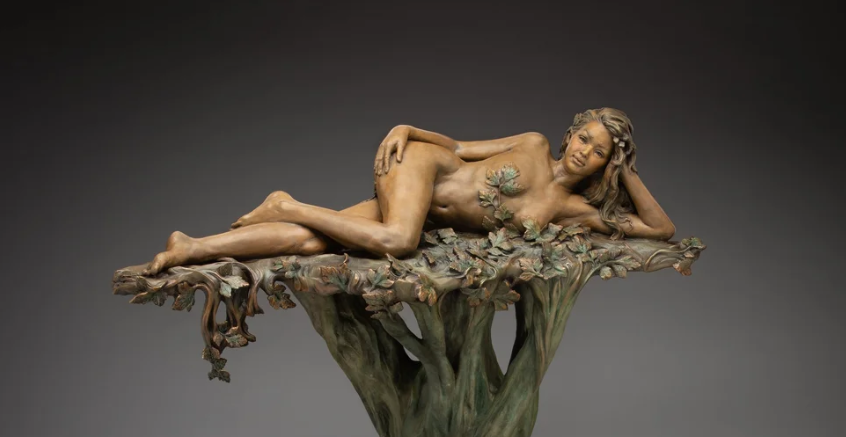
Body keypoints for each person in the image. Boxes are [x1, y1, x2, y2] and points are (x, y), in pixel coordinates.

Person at [142, 108, 675, 276]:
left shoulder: (572, 210)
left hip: (422, 213)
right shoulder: (533, 145)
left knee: (311, 243)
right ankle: (286, 203)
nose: (585, 151)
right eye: (584, 137)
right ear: (569, 134)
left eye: (600, 151)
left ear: (606, 162)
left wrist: (627, 168)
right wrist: (408, 130)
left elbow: (660, 229)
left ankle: (191, 247)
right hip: (421, 168)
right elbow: (459, 147)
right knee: (398, 241)